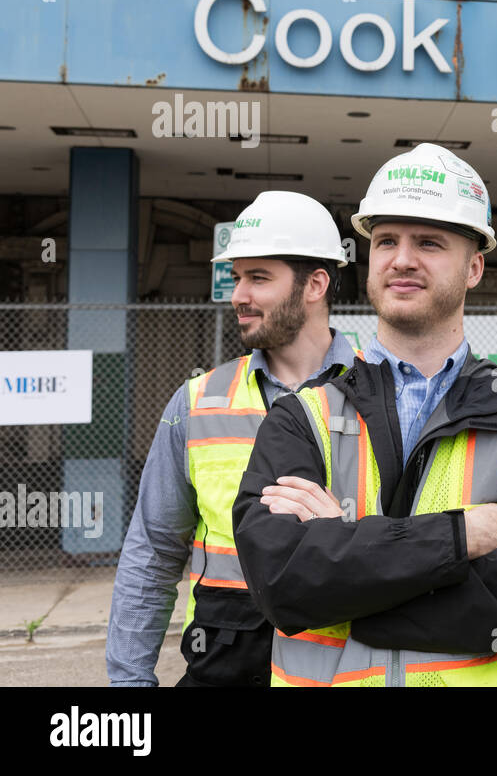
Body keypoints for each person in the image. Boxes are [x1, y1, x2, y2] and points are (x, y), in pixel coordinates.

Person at [232, 143, 497, 686]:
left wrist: (347, 569)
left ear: (473, 268)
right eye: (385, 241)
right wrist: (460, 537)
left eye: (428, 242)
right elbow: (281, 583)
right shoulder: (301, 416)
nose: (401, 259)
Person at [107, 191, 355, 686]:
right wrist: (130, 682)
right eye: (237, 276)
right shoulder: (197, 401)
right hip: (225, 659)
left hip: (345, 666)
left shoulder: (380, 392)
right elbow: (154, 552)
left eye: (258, 277)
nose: (237, 293)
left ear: (316, 284)